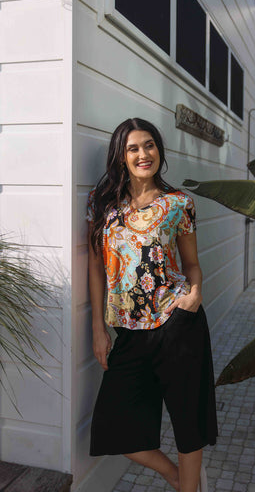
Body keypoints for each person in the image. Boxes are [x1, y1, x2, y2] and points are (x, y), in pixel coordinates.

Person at [87, 118, 218, 492]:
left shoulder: (179, 204)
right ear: (121, 155)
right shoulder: (102, 203)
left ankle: (191, 488)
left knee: (187, 418)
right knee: (113, 426)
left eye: (149, 145)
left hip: (179, 323)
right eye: (133, 148)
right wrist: (98, 327)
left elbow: (192, 264)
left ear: (159, 150)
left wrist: (194, 294)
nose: (143, 154)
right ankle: (178, 478)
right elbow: (96, 267)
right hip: (128, 332)